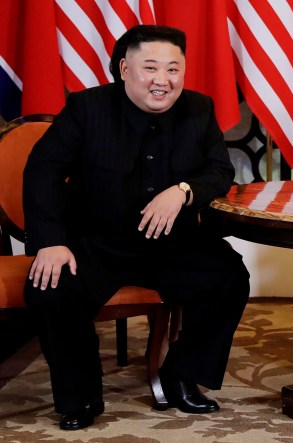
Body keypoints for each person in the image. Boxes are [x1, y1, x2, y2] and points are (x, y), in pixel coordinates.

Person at [23, 25, 250, 431]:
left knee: (228, 278)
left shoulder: (199, 109)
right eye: (150, 68)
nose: (162, 80)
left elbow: (219, 171)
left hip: (170, 243)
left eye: (173, 69)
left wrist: (182, 191)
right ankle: (81, 397)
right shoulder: (86, 108)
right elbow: (43, 172)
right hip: (96, 242)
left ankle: (180, 375)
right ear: (125, 68)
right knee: (50, 286)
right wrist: (52, 242)